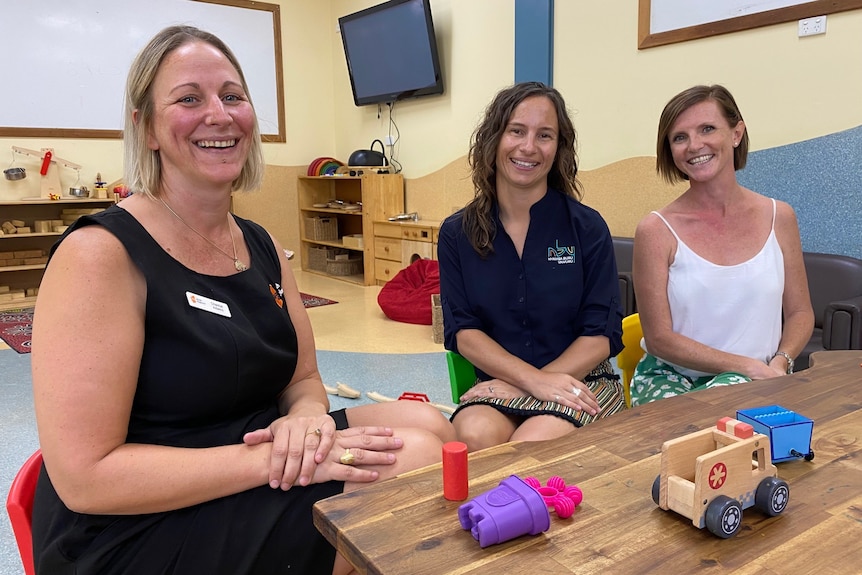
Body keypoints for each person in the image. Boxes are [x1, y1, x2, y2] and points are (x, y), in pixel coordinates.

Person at [30, 26, 455, 575]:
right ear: (147, 127)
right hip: (137, 522)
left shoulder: (260, 245)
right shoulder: (99, 255)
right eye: (189, 98)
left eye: (233, 96)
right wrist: (272, 459)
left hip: (251, 450)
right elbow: (87, 478)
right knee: (414, 461)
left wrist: (305, 421)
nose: (219, 114)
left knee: (433, 428)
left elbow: (302, 381)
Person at [437, 82, 626, 452]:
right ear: (494, 139)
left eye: (545, 135)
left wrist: (539, 381)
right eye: (516, 131)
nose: (528, 147)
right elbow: (464, 332)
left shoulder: (587, 228)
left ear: (558, 148)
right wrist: (529, 381)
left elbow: (601, 335)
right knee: (473, 435)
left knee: (530, 446)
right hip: (501, 382)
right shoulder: (456, 233)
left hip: (583, 380)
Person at [630, 84, 814, 406]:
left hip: (760, 381)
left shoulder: (780, 217)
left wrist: (780, 362)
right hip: (671, 382)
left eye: (707, 129)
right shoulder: (655, 230)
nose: (694, 145)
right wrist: (744, 367)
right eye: (680, 137)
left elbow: (799, 312)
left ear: (736, 133)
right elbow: (659, 338)